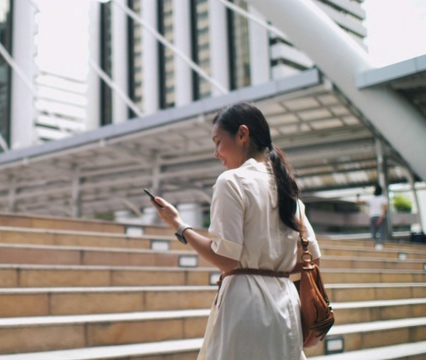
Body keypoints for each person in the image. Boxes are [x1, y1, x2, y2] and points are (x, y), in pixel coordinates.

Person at [148, 102, 321, 360]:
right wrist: (274, 270)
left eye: (218, 141)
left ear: (242, 134)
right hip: (286, 306)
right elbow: (312, 259)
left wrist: (179, 225)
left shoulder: (232, 181)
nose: (216, 152)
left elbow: (227, 259)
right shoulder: (287, 187)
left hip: (246, 305)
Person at [357, 184, 388, 249]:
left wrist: (357, 197)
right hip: (380, 216)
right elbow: (384, 209)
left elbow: (359, 202)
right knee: (381, 233)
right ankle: (382, 247)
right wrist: (381, 218)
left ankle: (373, 247)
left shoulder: (371, 198)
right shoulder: (383, 198)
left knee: (373, 233)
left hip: (372, 217)